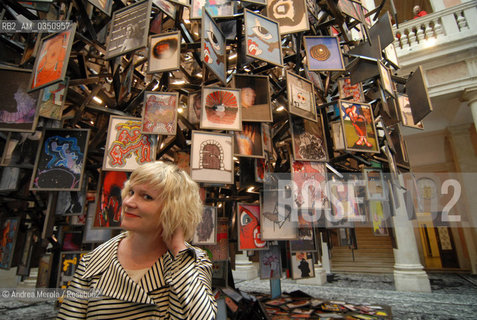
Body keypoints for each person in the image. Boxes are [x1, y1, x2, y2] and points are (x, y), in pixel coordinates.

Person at [57, 161, 217, 319]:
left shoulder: (191, 261)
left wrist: (177, 249)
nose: (127, 202)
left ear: (173, 210)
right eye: (131, 192)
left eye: (146, 197)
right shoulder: (95, 261)